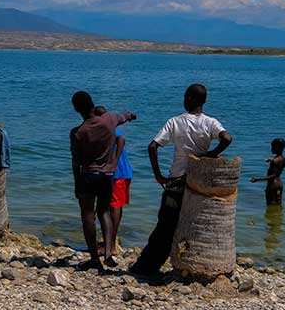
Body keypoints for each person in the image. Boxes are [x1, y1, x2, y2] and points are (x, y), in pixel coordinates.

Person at [130, 84, 232, 280]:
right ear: (205, 101)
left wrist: (158, 176)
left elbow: (152, 147)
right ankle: (193, 267)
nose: (184, 100)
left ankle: (147, 267)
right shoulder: (210, 123)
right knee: (194, 225)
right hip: (198, 185)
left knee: (165, 226)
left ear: (190, 99)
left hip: (176, 184)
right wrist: (210, 155)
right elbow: (227, 138)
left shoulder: (175, 122)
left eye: (186, 97)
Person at [70, 92, 136, 271]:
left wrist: (76, 184)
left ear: (76, 109)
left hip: (88, 176)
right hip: (107, 176)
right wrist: (131, 115)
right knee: (104, 212)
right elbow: (125, 117)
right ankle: (108, 252)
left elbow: (76, 162)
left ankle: (94, 259)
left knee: (88, 216)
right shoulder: (109, 120)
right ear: (92, 104)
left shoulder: (78, 132)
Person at [95, 106, 132, 267]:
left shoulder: (109, 131)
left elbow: (121, 140)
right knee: (113, 206)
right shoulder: (110, 128)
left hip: (118, 174)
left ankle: (111, 245)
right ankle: (109, 242)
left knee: (114, 206)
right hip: (119, 173)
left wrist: (114, 161)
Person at [251, 138, 285, 205]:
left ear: (278, 147)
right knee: (278, 204)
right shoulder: (283, 159)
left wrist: (257, 179)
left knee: (271, 205)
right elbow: (278, 168)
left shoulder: (275, 161)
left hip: (272, 185)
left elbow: (273, 176)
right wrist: (271, 159)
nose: (271, 149)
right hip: (279, 184)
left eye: (273, 147)